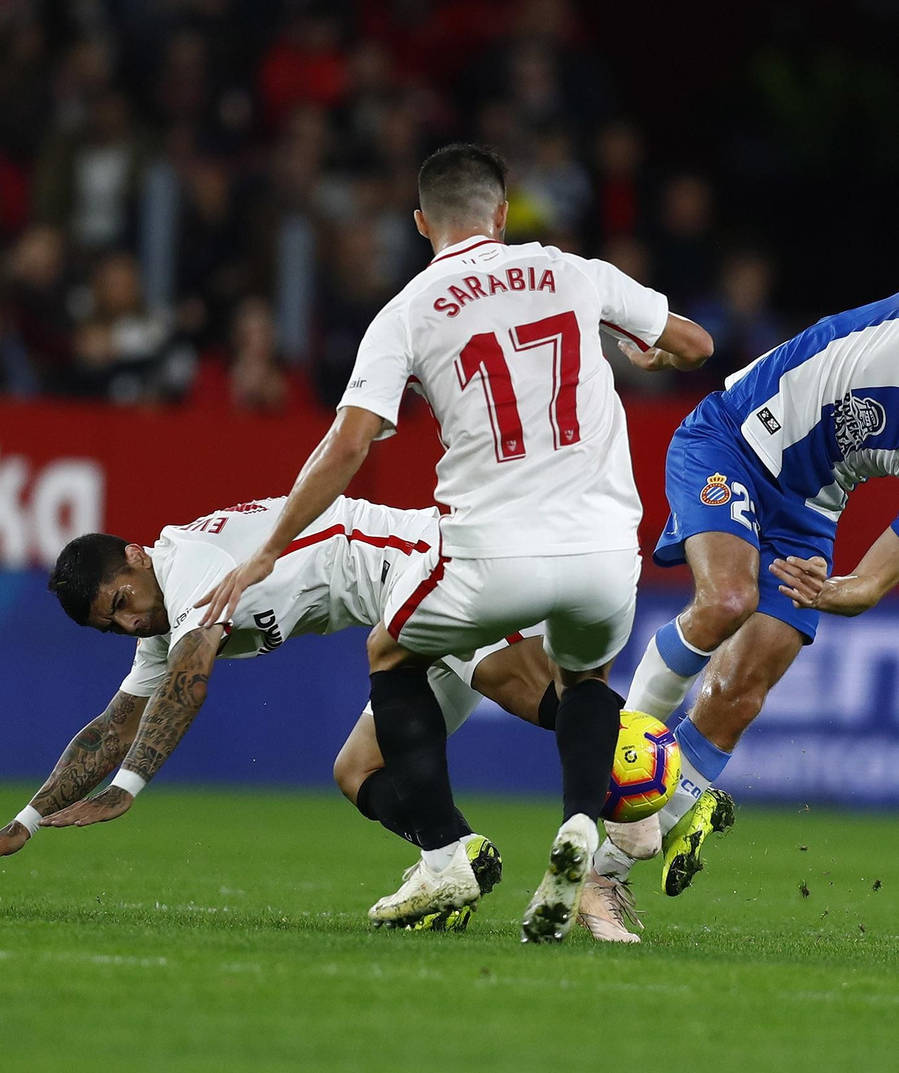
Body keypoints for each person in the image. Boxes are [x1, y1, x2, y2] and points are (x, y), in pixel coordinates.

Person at [191, 144, 713, 941]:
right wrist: (651, 348)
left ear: (421, 223)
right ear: (502, 215)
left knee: (390, 651)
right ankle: (579, 822)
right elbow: (695, 345)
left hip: (489, 550)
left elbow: (348, 444)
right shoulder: (576, 270)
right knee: (584, 684)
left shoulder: (407, 308)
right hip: (606, 548)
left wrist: (268, 547)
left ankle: (443, 855)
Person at [588, 156, 899, 934]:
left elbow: (869, 584)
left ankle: (603, 874)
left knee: (742, 688)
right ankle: (633, 763)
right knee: (726, 599)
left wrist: (832, 589)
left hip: (807, 509)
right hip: (732, 440)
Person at [0, 496, 565, 934]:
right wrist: (28, 822)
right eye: (112, 624)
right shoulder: (162, 618)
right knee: (358, 769)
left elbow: (190, 680)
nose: (130, 623)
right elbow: (113, 726)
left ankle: (666, 797)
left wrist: (126, 789)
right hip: (397, 619)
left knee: (546, 704)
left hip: (422, 566)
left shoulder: (189, 567)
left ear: (136, 555)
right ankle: (457, 858)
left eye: (122, 601)